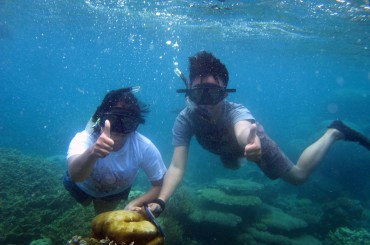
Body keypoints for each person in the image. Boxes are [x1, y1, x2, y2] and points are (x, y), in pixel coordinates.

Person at [147, 51, 370, 216]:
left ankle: (335, 131)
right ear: (189, 93)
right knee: (231, 164)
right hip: (225, 150)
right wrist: (161, 201)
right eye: (198, 94)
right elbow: (176, 167)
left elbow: (243, 129)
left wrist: (251, 144)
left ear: (225, 95)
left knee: (298, 177)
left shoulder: (237, 113)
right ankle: (237, 158)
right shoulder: (185, 119)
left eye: (212, 95)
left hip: (251, 144)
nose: (204, 103)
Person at [64, 87, 167, 214]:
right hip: (80, 187)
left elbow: (160, 184)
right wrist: (92, 152)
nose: (119, 129)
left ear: (135, 125)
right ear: (100, 119)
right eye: (113, 120)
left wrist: (135, 203)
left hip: (113, 194)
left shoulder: (143, 146)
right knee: (83, 205)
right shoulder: (85, 138)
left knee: (102, 218)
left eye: (127, 122)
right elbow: (75, 176)